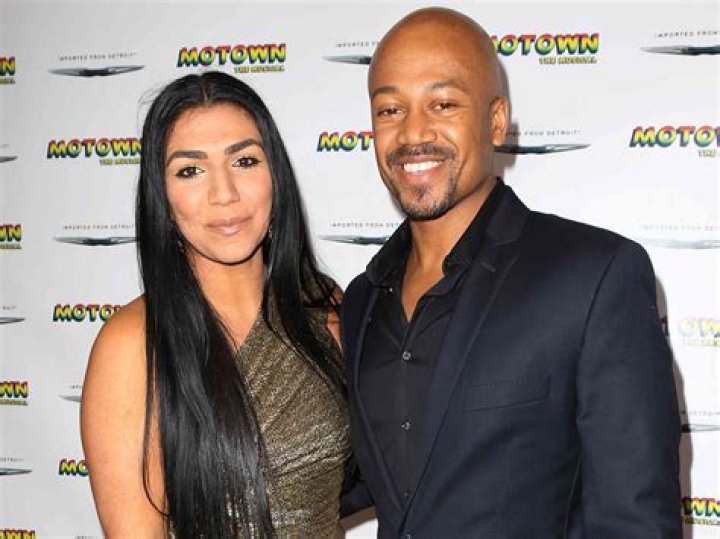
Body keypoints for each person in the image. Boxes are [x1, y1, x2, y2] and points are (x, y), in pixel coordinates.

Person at [340, 7, 681, 538]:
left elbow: (634, 522)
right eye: (390, 109)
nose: (413, 132)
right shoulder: (361, 300)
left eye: (443, 103)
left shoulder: (593, 277)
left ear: (496, 121)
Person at [81, 71, 350, 538]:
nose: (224, 193)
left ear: (275, 177)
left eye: (244, 161)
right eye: (190, 170)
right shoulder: (132, 345)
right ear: (162, 199)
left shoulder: (323, 309)